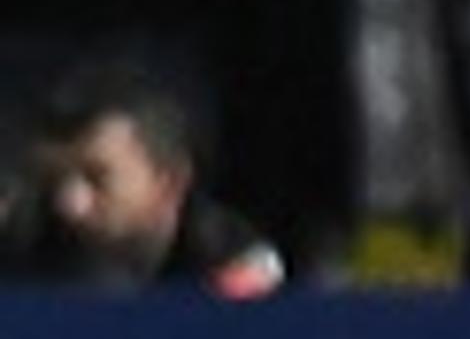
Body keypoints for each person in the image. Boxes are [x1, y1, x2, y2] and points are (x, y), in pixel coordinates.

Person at [1, 58, 285, 296]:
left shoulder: (232, 263)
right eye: (51, 179)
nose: (68, 204)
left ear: (170, 183)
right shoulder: (20, 248)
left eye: (97, 179)